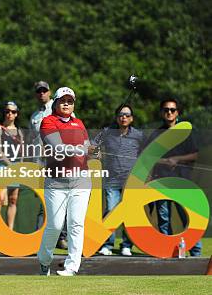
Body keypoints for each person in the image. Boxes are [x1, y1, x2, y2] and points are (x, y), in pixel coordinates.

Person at [37, 87, 93, 276]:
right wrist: (82, 149)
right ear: (56, 103)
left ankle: (72, 267)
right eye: (63, 100)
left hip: (81, 180)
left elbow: (88, 148)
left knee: (76, 223)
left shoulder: (79, 123)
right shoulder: (48, 122)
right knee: (55, 225)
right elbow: (58, 148)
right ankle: (45, 261)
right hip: (56, 182)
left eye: (70, 101)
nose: (67, 104)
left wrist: (94, 150)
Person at [148, 98, 201, 257]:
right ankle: (166, 252)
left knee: (189, 218)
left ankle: (197, 254)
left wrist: (177, 159)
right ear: (161, 112)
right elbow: (147, 157)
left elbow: (195, 154)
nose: (169, 112)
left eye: (172, 110)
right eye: (166, 110)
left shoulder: (186, 131)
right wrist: (165, 161)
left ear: (177, 112)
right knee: (164, 219)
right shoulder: (156, 133)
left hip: (183, 182)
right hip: (162, 181)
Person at [94, 104, 144, 256]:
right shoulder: (107, 132)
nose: (124, 117)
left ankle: (126, 245)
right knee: (111, 212)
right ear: (116, 117)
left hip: (132, 181)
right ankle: (107, 245)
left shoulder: (139, 135)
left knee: (129, 214)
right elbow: (92, 145)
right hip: (111, 180)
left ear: (132, 118)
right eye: (121, 114)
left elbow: (146, 154)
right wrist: (96, 153)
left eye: (127, 115)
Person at [29, 80, 67, 248]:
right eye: (39, 91)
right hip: (40, 163)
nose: (42, 93)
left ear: (50, 92)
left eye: (44, 90)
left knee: (62, 198)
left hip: (58, 160)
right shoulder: (34, 116)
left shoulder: (60, 108)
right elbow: (32, 141)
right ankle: (41, 237)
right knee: (43, 200)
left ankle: (61, 237)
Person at [0, 101, 25, 230]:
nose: (10, 114)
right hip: (1, 167)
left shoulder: (19, 132)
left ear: (16, 114)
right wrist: (10, 165)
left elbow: (22, 153)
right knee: (0, 199)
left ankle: (10, 230)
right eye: (7, 111)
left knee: (13, 200)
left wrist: (20, 167)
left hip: (15, 168)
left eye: (13, 112)